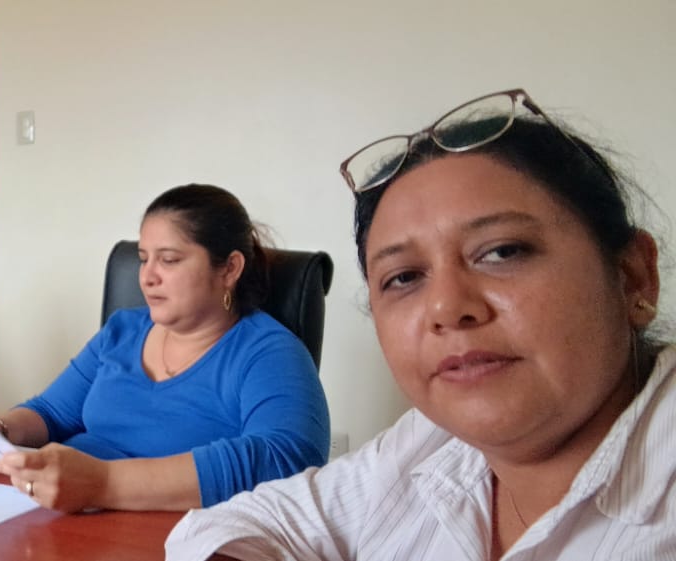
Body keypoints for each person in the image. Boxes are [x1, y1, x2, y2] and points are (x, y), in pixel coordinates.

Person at [166, 89, 672, 560]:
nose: (447, 307)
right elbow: (252, 519)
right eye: (404, 277)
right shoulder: (432, 443)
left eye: (502, 252)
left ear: (633, 277)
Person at [0, 184, 331, 513]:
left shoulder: (270, 353)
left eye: (169, 260)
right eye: (143, 259)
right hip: (54, 516)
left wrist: (102, 483)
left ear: (229, 268)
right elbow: (52, 412)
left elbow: (285, 458)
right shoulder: (122, 330)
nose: (147, 277)